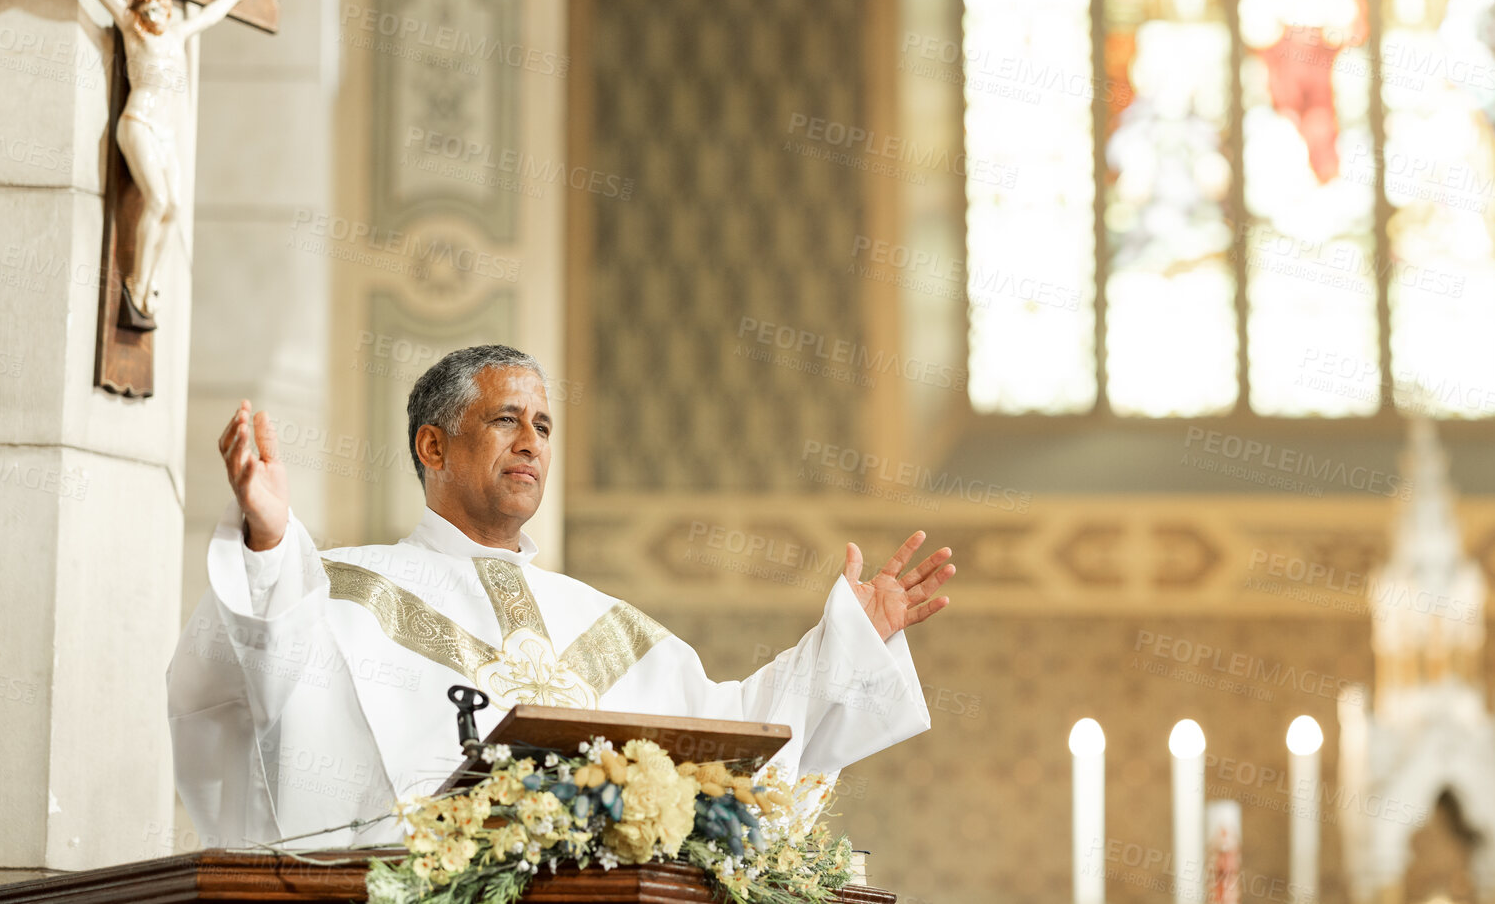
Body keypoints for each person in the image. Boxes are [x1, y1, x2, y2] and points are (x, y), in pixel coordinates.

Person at [167, 345, 955, 847]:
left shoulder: (603, 623)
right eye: (505, 419)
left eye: (543, 425)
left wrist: (852, 642)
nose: (531, 442)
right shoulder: (341, 586)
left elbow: (725, 738)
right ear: (432, 446)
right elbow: (270, 685)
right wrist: (270, 541)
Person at [39, 0, 253, 329]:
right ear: (140, 11)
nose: (156, 12)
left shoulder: (176, 36)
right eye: (149, 7)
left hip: (166, 134)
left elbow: (208, 18)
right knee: (157, 199)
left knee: (173, 207)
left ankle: (151, 283)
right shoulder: (132, 30)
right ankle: (136, 281)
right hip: (137, 122)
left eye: (162, 7)